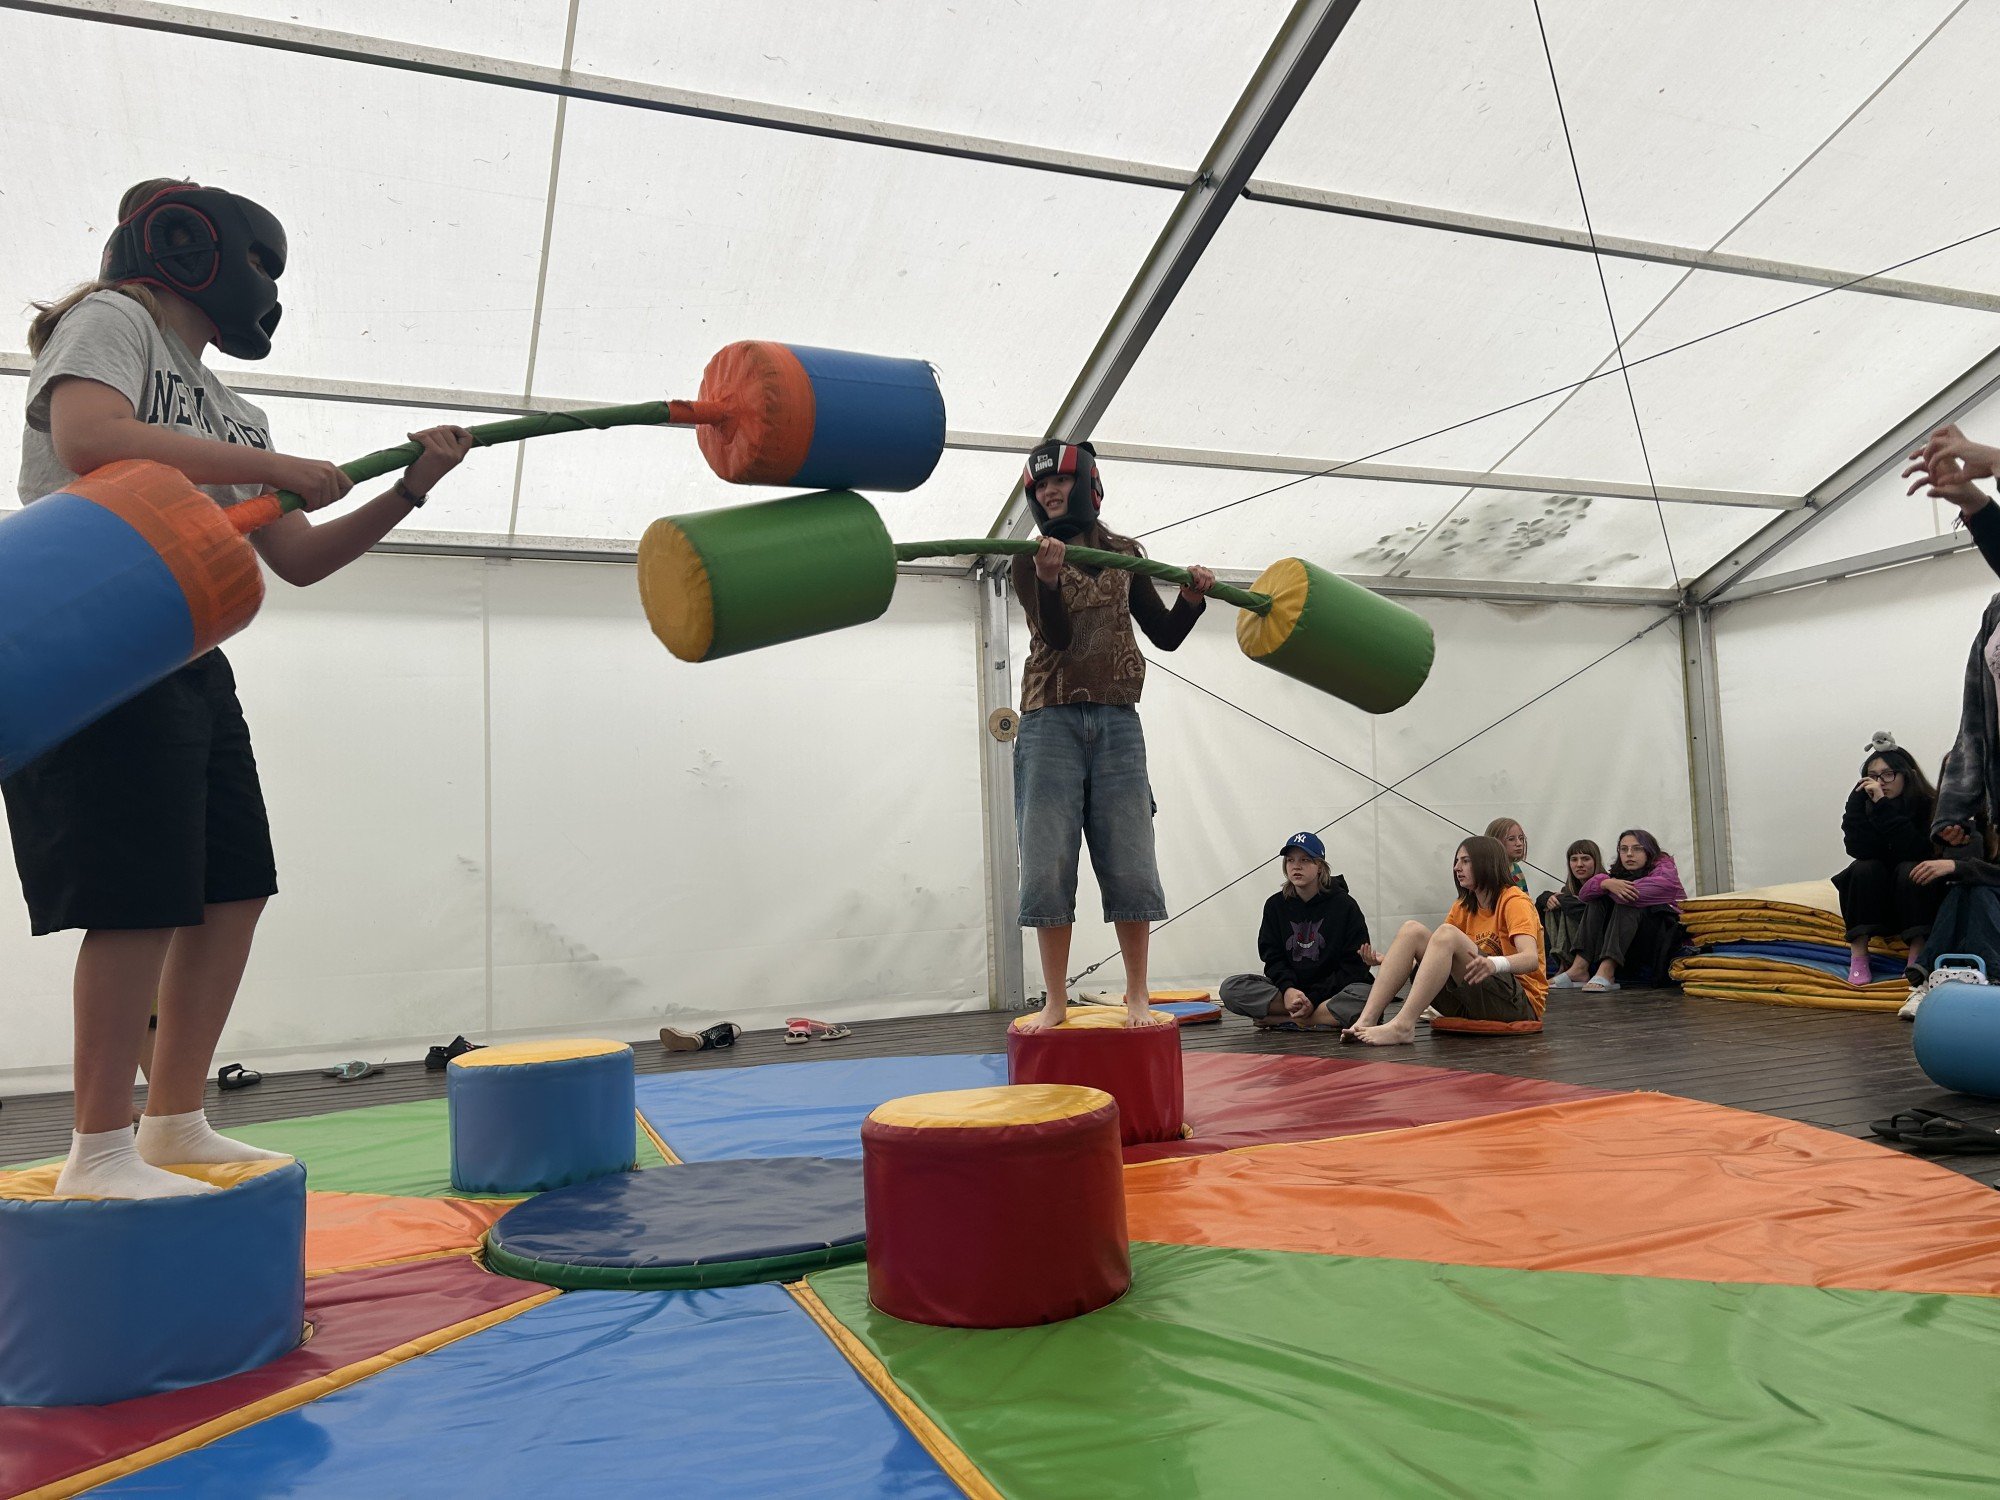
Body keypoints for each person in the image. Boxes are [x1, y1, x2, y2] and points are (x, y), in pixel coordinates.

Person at [8, 179, 476, 1198]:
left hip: (185, 650)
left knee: (232, 888)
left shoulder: (238, 414)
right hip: (90, 633)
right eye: (260, 262)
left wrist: (408, 488)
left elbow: (297, 559)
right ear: (189, 249)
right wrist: (282, 466)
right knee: (135, 899)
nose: (267, 285)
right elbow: (88, 437)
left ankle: (174, 1123)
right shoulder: (115, 318)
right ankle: (98, 1148)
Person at [1009, 439, 1213, 1031]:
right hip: (1049, 720)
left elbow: (1164, 635)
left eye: (1060, 481)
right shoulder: (1026, 559)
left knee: (1130, 856)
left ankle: (1137, 994)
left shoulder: (1126, 555)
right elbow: (1057, 638)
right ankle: (1054, 999)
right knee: (1048, 859)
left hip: (1119, 720)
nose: (1051, 492)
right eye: (1041, 487)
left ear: (1088, 485)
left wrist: (1191, 600)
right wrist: (1049, 580)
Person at [1342, 835, 1546, 1045]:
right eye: (1457, 861)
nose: (1457, 868)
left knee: (1447, 934)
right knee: (1412, 930)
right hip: (1472, 999)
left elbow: (1530, 959)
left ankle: (1403, 1025)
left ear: (1486, 863)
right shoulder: (1464, 905)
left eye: (1465, 861)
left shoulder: (1514, 901)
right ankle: (1366, 1020)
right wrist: (1391, 961)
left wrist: (1493, 964)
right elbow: (1438, 958)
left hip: (1518, 1005)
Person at [1219, 831, 1382, 1030]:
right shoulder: (1275, 905)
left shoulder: (1345, 905)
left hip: (1333, 991)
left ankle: (1292, 1019)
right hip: (1292, 992)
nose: (1296, 866)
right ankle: (1316, 1015)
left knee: (1369, 998)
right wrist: (1288, 989)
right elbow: (1273, 958)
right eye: (1290, 860)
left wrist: (1313, 998)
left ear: (1320, 866)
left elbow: (1354, 966)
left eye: (1305, 860)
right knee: (1231, 988)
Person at [1830, 734, 1940, 986]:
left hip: (1915, 898)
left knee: (1913, 869)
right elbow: (1858, 849)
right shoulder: (1865, 803)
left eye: (1888, 774)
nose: (1880, 782)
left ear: (1907, 775)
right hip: (1878, 898)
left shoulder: (1928, 805)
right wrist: (1855, 806)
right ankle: (1859, 955)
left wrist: (1883, 806)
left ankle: (1917, 954)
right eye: (1873, 775)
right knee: (1862, 868)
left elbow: (1914, 849)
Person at [1552, 829, 1686, 993]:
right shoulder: (1618, 875)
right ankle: (1579, 967)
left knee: (1627, 900)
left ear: (1649, 851)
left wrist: (1607, 885)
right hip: (1632, 940)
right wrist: (1605, 883)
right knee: (1597, 901)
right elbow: (1584, 895)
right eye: (1623, 849)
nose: (1629, 854)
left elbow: (1627, 895)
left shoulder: (1666, 874)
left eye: (1637, 849)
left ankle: (1607, 970)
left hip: (1665, 938)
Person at [1534, 839, 1603, 975]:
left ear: (1596, 861)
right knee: (1551, 906)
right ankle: (1556, 964)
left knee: (1561, 906)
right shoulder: (1568, 890)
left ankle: (1570, 967)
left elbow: (1588, 913)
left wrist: (1562, 899)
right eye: (1574, 859)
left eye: (1585, 859)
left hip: (1594, 953)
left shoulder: (1605, 885)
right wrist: (1546, 897)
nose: (1579, 864)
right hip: (1567, 951)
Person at [1484, 818, 1530, 892]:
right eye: (1511, 839)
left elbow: (1525, 897)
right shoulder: (1489, 873)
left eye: (1521, 838)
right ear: (1495, 842)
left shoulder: (1515, 868)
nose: (1519, 843)